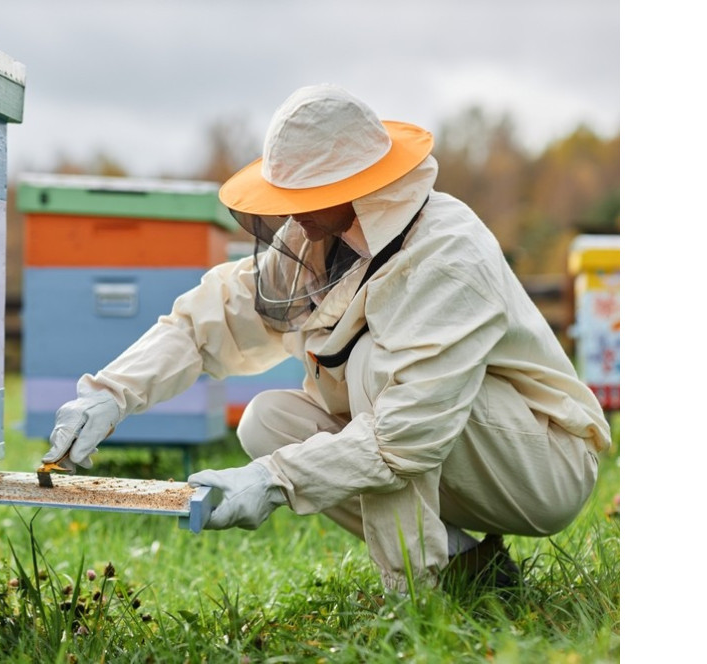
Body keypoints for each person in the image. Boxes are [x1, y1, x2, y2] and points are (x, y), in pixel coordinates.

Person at [42, 84, 610, 594]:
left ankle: (419, 594)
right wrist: (111, 393)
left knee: (369, 370)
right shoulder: (317, 237)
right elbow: (209, 318)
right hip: (448, 444)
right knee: (268, 422)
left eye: (304, 193)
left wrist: (273, 480)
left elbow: (406, 433)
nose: (288, 211)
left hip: (542, 461)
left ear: (354, 184)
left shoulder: (446, 252)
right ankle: (467, 565)